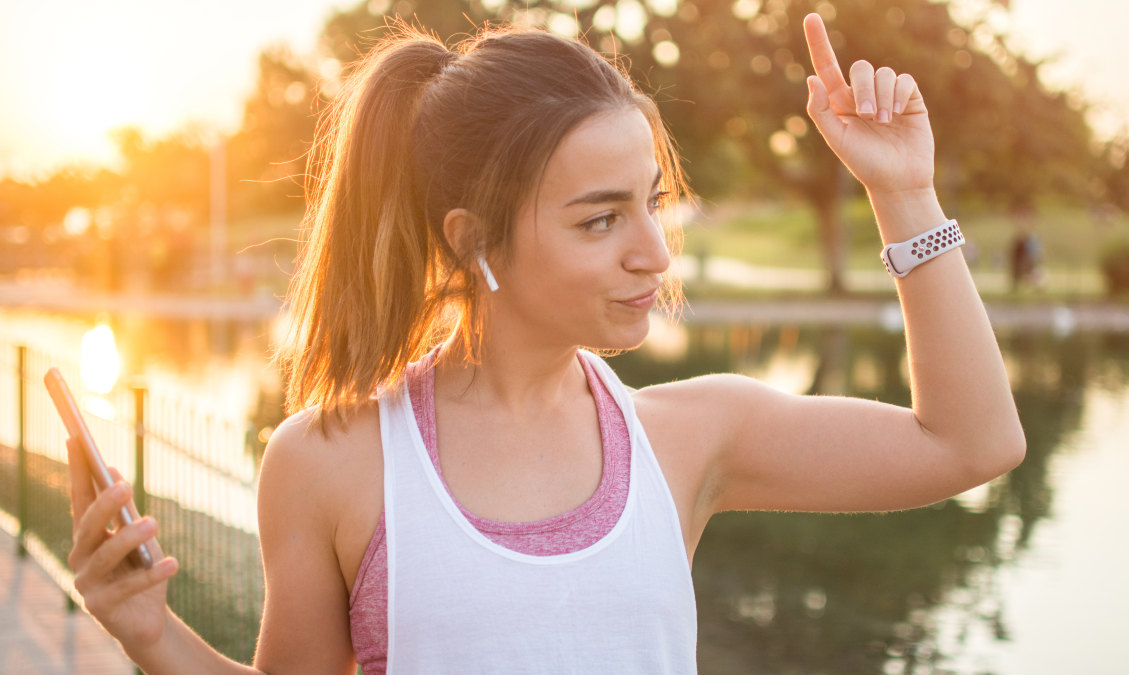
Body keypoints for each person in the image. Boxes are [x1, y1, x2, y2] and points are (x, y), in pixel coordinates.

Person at [64, 13, 1025, 674]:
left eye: (652, 202)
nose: (653, 252)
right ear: (473, 238)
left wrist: (905, 194)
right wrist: (153, 636)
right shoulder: (330, 460)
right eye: (600, 220)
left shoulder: (689, 436)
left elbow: (971, 443)